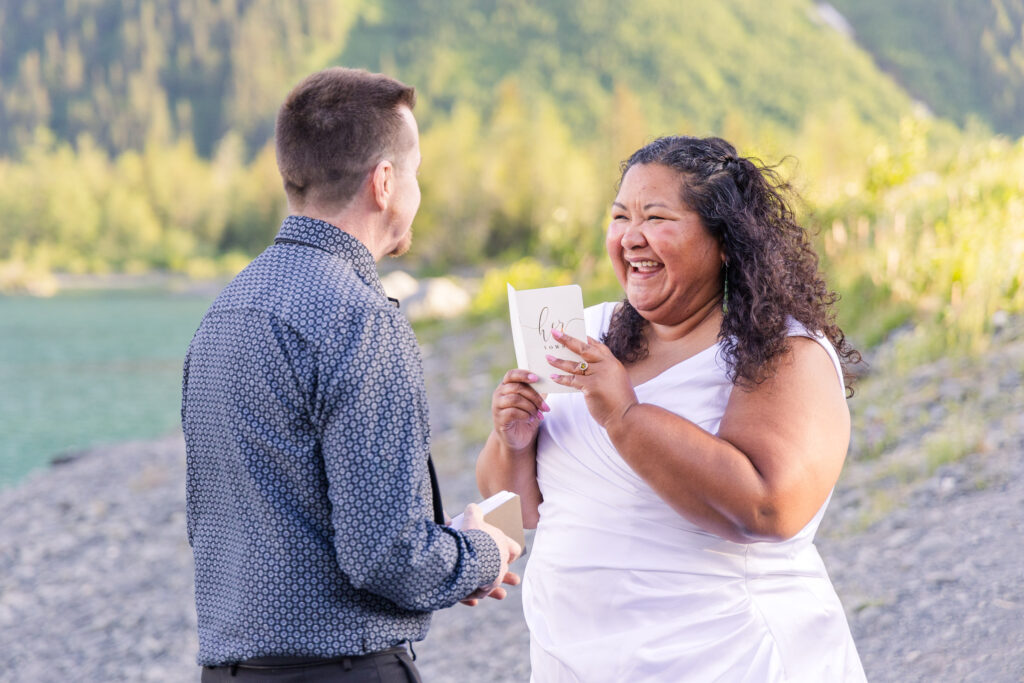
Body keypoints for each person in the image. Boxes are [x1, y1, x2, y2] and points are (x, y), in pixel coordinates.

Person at [477, 135, 867, 681]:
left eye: (656, 218)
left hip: (728, 658)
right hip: (571, 661)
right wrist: (512, 440)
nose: (631, 238)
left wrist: (626, 417)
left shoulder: (779, 352)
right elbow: (521, 511)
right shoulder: (582, 331)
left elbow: (769, 508)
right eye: (619, 217)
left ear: (725, 241)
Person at [182, 67, 521, 682]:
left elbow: (269, 513)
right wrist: (480, 553)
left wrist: (436, 556)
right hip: (342, 671)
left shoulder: (227, 309)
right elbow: (388, 557)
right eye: (415, 172)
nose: (418, 188)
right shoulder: (361, 321)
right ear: (384, 182)